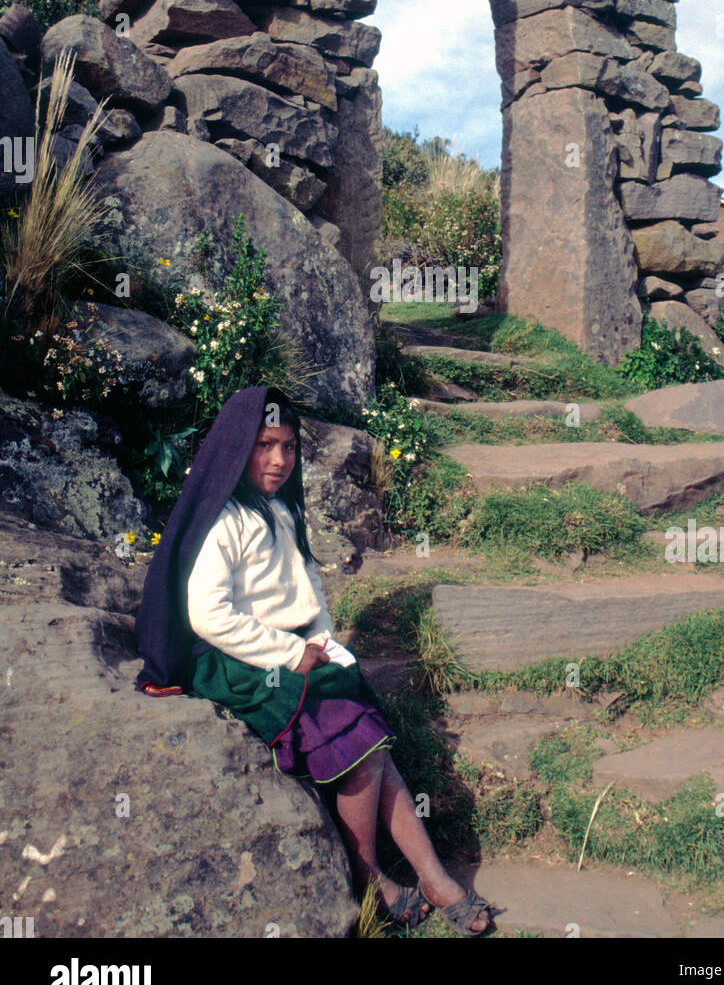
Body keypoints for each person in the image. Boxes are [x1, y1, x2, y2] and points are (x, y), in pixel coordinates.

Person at [134, 384, 498, 935]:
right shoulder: (224, 521)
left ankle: (431, 876)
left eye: (288, 446)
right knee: (356, 730)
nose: (279, 460)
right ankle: (371, 874)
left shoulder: (279, 509)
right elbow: (209, 616)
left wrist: (325, 640)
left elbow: (308, 589)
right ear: (236, 449)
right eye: (264, 445)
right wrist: (290, 652)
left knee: (370, 736)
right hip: (242, 660)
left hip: (292, 652)